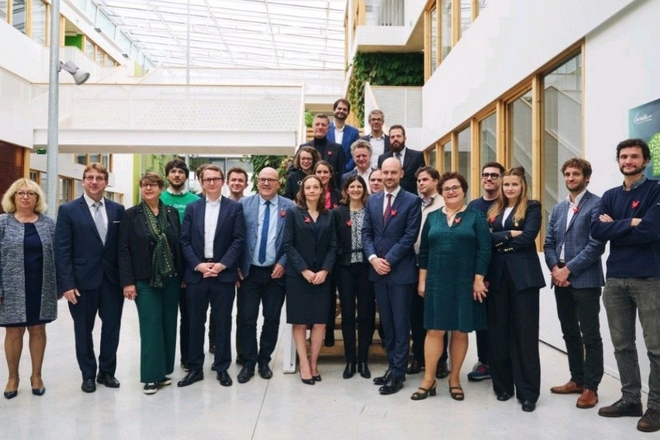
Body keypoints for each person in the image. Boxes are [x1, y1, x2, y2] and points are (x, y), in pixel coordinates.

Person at [591, 139, 660, 432]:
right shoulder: (609, 195)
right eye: (623, 156)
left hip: (649, 279)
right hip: (615, 280)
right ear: (618, 160)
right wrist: (631, 222)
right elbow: (597, 230)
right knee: (622, 345)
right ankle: (631, 399)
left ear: (646, 161)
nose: (628, 161)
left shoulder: (656, 189)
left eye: (634, 156)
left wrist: (616, 225)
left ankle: (656, 407)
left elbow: (651, 230)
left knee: (656, 347)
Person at [412, 172, 491, 401]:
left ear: (464, 190)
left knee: (459, 330)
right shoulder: (432, 217)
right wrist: (422, 280)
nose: (451, 192)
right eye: (446, 188)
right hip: (436, 281)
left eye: (455, 187)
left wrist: (478, 279)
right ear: (441, 192)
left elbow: (484, 250)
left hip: (464, 282)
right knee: (434, 330)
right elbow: (424, 251)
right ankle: (428, 379)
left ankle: (454, 379)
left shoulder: (476, 217)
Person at [55, 163, 126, 393]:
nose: (94, 182)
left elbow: (123, 248)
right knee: (83, 330)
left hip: (112, 281)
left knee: (112, 328)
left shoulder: (118, 210)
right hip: (81, 283)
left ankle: (107, 372)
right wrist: (67, 284)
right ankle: (88, 375)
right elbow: (62, 250)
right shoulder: (68, 210)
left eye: (99, 178)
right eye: (90, 178)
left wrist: (126, 280)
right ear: (83, 181)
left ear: (106, 182)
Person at [544, 158, 605, 409]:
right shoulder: (559, 208)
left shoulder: (597, 204)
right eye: (567, 174)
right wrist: (555, 269)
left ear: (586, 177)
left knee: (590, 335)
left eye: (576, 174)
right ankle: (577, 379)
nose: (570, 178)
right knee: (569, 332)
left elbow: (596, 245)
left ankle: (591, 387)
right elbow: (549, 242)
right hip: (560, 279)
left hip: (585, 280)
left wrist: (568, 270)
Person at [178, 165, 245, 388]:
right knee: (195, 323)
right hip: (197, 274)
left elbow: (238, 240)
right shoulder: (192, 208)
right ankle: (195, 368)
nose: (212, 182)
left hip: (222, 275)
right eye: (207, 179)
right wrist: (197, 265)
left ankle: (222, 367)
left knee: (223, 322)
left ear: (223, 181)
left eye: (216, 178)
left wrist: (222, 265)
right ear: (201, 182)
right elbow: (184, 241)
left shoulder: (234, 208)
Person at [486, 166, 545, 412]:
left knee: (525, 335)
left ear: (522, 186)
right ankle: (503, 386)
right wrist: (508, 234)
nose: (510, 188)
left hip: (524, 278)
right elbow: (485, 238)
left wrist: (500, 242)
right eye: (506, 184)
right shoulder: (494, 209)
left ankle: (528, 392)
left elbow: (529, 236)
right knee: (498, 333)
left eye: (514, 184)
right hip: (497, 277)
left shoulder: (532, 207)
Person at [119, 172, 182, 394]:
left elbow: (177, 245)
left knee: (168, 323)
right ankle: (150, 377)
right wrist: (128, 282)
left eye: (153, 185)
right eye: (144, 185)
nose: (148, 188)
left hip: (171, 278)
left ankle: (162, 371)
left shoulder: (171, 212)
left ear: (160, 188)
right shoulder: (131, 215)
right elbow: (123, 249)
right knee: (151, 325)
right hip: (144, 279)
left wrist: (182, 277)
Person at [363, 158, 422, 395]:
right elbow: (366, 233)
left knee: (400, 324)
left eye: (392, 173)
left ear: (401, 173)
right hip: (378, 272)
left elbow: (409, 236)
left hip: (400, 272)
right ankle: (392, 367)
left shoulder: (412, 201)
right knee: (387, 324)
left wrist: (388, 260)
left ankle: (398, 374)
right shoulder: (373, 200)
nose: (388, 177)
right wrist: (373, 259)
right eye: (385, 172)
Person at [236, 167, 294, 383]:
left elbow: (294, 239)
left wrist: (283, 263)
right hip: (249, 272)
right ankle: (249, 362)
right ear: (257, 182)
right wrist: (236, 265)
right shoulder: (243, 204)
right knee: (247, 318)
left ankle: (264, 360)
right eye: (262, 179)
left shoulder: (290, 207)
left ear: (279, 183)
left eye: (271, 180)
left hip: (276, 273)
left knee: (272, 318)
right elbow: (236, 237)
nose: (266, 183)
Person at [0, 179, 56, 399]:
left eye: (31, 194)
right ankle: (13, 377)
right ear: (13, 197)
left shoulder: (48, 224)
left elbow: (58, 255)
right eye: (20, 193)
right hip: (11, 288)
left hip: (41, 286)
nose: (25, 197)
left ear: (37, 199)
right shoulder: (3, 223)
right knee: (14, 331)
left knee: (38, 329)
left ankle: (36, 376)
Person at [283, 175, 337, 385]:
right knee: (299, 321)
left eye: (316, 187)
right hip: (298, 277)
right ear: (302, 191)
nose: (312, 190)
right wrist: (304, 270)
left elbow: (333, 246)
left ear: (322, 190)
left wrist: (325, 270)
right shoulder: (293, 213)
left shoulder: (329, 215)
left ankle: (314, 363)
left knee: (320, 322)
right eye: (308, 187)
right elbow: (288, 245)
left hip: (322, 277)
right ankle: (304, 365)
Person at [466, 161, 505, 382]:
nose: (489, 178)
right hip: (480, 272)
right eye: (485, 175)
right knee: (481, 320)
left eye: (494, 175)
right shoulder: (474, 205)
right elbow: (472, 238)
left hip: (503, 270)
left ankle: (501, 361)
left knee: (501, 320)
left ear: (501, 178)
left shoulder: (507, 203)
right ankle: (485, 362)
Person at [408, 166, 449, 379]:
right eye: (418, 180)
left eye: (425, 179)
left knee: (438, 314)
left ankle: (441, 361)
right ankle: (418, 356)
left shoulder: (444, 203)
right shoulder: (415, 203)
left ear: (436, 181)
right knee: (416, 314)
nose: (421, 183)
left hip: (437, 264)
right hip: (414, 263)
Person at [160, 159, 200, 372]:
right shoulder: (158, 198)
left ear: (186, 176)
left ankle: (188, 358)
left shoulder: (196, 201)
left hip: (190, 267)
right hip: (163, 268)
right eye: (173, 171)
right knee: (165, 317)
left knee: (189, 317)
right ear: (167, 175)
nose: (176, 175)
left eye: (180, 172)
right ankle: (164, 360)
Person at [333, 175, 375, 379]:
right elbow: (333, 239)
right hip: (345, 268)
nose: (356, 189)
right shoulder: (338, 212)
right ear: (346, 190)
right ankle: (350, 360)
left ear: (364, 190)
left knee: (366, 314)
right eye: (352, 186)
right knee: (348, 314)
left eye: (359, 186)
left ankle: (363, 360)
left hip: (367, 267)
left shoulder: (371, 211)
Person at [222, 167, 249, 364]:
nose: (237, 183)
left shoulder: (249, 205)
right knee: (220, 312)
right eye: (234, 180)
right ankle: (216, 346)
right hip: (223, 266)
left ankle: (242, 352)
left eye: (241, 180)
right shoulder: (220, 205)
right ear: (227, 182)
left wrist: (239, 266)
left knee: (243, 313)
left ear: (246, 184)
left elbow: (245, 239)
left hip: (244, 268)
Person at [300, 114, 346, 189]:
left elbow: (342, 174)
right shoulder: (303, 148)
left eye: (323, 125)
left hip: (331, 191)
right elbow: (293, 170)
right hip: (309, 191)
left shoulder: (337, 149)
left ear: (328, 128)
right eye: (317, 124)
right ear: (313, 127)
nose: (320, 127)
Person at [377, 125, 425, 195]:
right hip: (389, 197)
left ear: (404, 138)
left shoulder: (417, 156)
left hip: (411, 198)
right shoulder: (382, 158)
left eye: (398, 136)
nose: (395, 139)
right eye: (392, 137)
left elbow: (423, 178)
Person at [327, 98, 360, 172]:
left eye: (345, 109)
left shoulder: (354, 132)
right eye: (339, 108)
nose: (341, 111)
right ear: (334, 110)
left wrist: (346, 169)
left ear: (348, 113)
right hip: (327, 172)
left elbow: (356, 153)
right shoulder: (325, 130)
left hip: (346, 172)